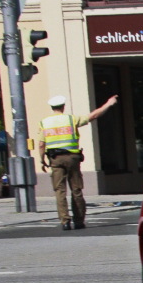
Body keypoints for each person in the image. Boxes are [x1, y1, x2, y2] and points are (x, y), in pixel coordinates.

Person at [37, 93, 118, 230]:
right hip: (72, 158)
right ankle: (79, 221)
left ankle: (65, 221)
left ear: (52, 107)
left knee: (59, 191)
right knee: (76, 189)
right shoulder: (71, 120)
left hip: (55, 159)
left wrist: (41, 160)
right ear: (63, 106)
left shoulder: (44, 123)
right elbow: (93, 116)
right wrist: (108, 104)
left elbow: (41, 144)